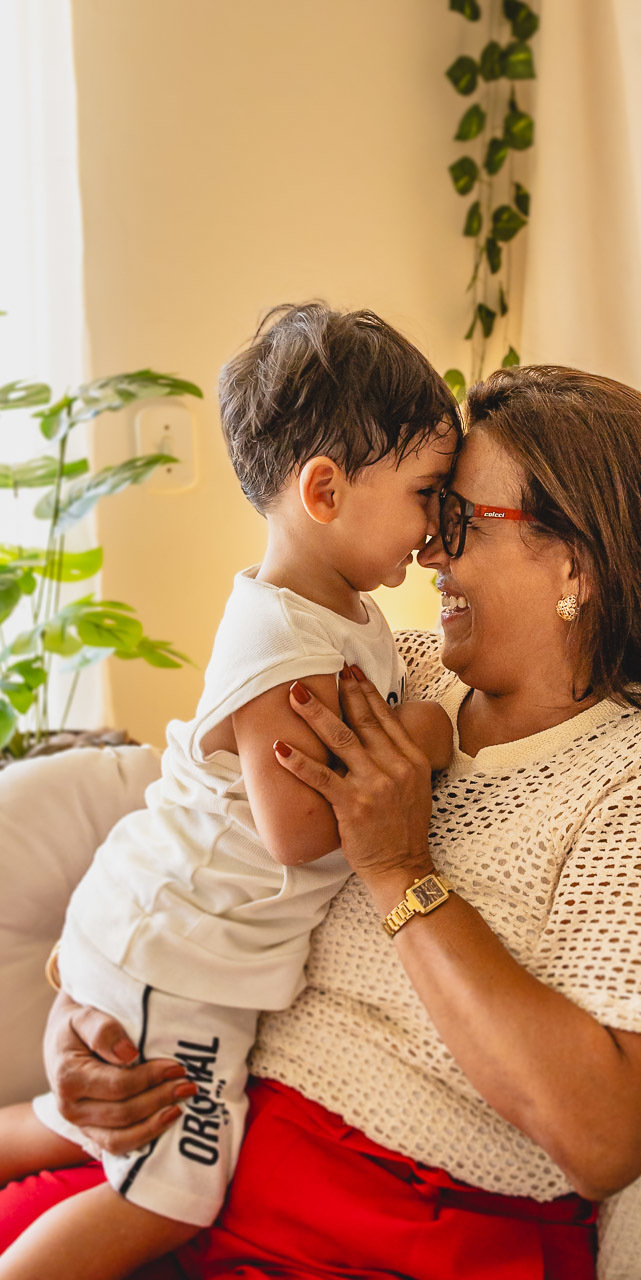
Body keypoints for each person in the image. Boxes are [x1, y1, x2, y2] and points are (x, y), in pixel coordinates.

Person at [0, 364, 641, 1280]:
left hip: (385, 1235)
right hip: (205, 1137)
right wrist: (80, 1023)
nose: (430, 552)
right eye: (430, 512)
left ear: (578, 561)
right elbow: (190, 843)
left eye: (461, 519)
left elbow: (603, 1137)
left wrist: (402, 869)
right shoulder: (391, 671)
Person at [0, 303, 458, 1280]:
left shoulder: (343, 612)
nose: (433, 532)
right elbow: (297, 831)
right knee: (174, 1188)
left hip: (182, 938)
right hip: (182, 945)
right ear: (324, 490)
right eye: (425, 493)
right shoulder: (288, 640)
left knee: (95, 1125)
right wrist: (425, 736)